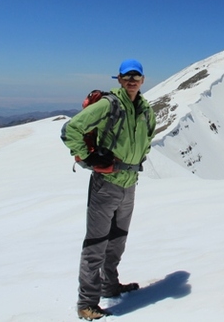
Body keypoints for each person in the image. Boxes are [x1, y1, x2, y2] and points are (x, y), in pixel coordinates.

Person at [61, 59, 156, 320]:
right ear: (119, 79)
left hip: (129, 184)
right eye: (127, 76)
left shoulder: (146, 109)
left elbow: (147, 140)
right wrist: (89, 159)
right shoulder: (109, 104)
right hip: (106, 185)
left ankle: (110, 286)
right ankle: (86, 303)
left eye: (137, 76)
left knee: (117, 241)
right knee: (96, 244)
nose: (132, 80)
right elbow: (71, 130)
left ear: (143, 80)